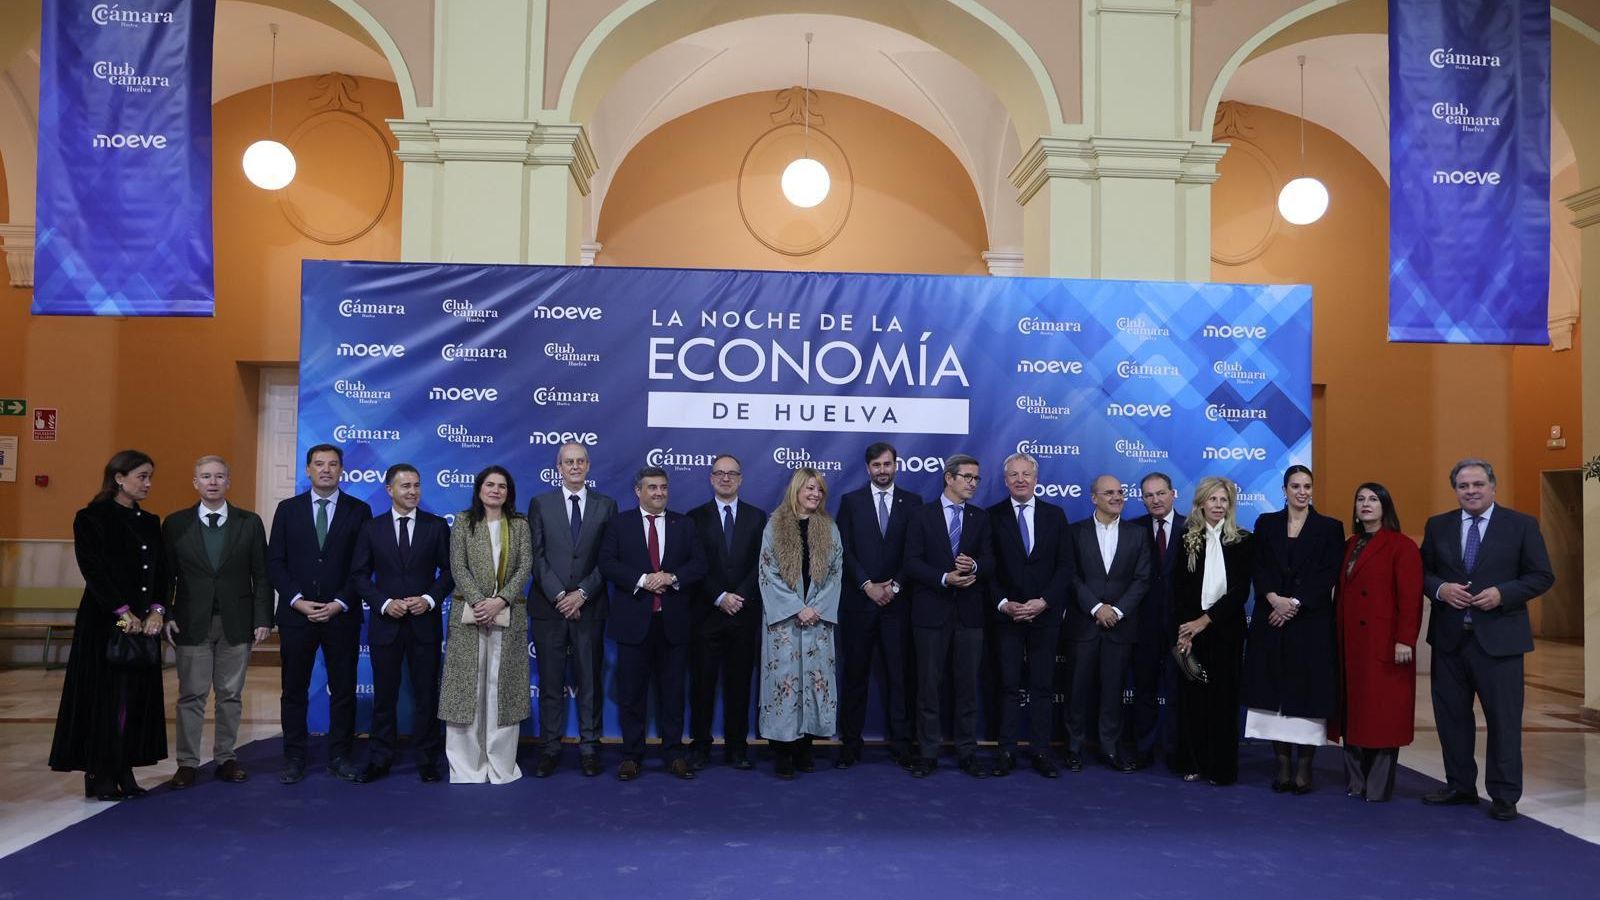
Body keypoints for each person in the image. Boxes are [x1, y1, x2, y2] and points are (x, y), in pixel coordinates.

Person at [1420, 458, 1554, 822]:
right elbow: (1423, 572)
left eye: (1478, 484)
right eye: (1463, 486)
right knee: (1451, 719)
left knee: (1503, 721)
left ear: (1493, 486)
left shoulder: (1521, 525)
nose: (1471, 491)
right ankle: (1459, 785)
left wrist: (1503, 594)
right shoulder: (1438, 525)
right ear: (1455, 490)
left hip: (1500, 641)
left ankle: (1504, 795)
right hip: (1449, 641)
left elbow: (1541, 575)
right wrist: (1441, 589)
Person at [49, 450, 168, 801]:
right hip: (104, 622)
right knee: (104, 698)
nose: (148, 484)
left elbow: (161, 571)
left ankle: (124, 767)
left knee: (133, 698)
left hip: (143, 624)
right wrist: (122, 611)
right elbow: (93, 569)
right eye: (142, 476)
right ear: (119, 478)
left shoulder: (150, 521)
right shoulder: (91, 518)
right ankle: (100, 771)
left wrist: (157, 610)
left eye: (150, 477)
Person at [161, 455, 272, 789]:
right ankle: (187, 763)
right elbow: (165, 576)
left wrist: (263, 618)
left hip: (237, 622)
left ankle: (226, 758)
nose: (213, 482)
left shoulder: (249, 522)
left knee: (230, 694)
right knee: (191, 695)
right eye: (206, 476)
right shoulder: (175, 524)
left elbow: (262, 575)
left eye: (219, 476)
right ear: (195, 482)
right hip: (190, 622)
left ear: (228, 482)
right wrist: (165, 614)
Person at [267, 444, 372, 784]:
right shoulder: (287, 509)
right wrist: (296, 600)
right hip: (297, 615)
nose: (326, 469)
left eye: (333, 464)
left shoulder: (359, 510)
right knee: (293, 690)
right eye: (319, 464)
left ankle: (340, 756)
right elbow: (275, 562)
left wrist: (340, 602)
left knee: (343, 690)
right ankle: (294, 758)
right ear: (308, 470)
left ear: (342, 470)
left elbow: (363, 565)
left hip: (341, 615)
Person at [599, 466, 708, 781]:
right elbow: (607, 563)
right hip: (633, 623)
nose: (659, 493)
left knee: (673, 694)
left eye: (663, 487)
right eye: (652, 487)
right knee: (632, 695)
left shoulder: (684, 524)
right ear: (638, 491)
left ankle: (674, 754)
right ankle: (631, 756)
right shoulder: (619, 524)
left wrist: (671, 577)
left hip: (673, 624)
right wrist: (643, 579)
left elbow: (699, 564)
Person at [1242, 465, 1345, 793]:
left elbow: (1328, 573)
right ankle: (1283, 764)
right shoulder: (1266, 523)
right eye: (1296, 486)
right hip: (1270, 620)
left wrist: (1295, 603)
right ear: (1284, 490)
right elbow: (1258, 565)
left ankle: (1304, 768)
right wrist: (1274, 599)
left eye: (1307, 486)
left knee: (1307, 695)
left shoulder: (1330, 527)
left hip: (1309, 624)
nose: (1302, 492)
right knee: (1273, 693)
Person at [349, 463, 454, 784]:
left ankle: (427, 760)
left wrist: (429, 599)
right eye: (406, 486)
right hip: (386, 625)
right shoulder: (372, 528)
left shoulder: (436, 526)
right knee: (384, 697)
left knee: (427, 695)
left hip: (425, 624)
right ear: (389, 490)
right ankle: (380, 758)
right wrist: (384, 603)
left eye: (417, 485)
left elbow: (450, 572)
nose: (412, 491)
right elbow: (359, 575)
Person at [526, 442, 617, 778]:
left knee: (589, 682)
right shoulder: (541, 503)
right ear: (559, 468)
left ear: (588, 466)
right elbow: (536, 556)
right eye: (568, 462)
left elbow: (608, 558)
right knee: (550, 683)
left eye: (580, 461)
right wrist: (560, 596)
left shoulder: (606, 505)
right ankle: (549, 748)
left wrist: (581, 594)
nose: (575, 466)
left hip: (589, 608)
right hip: (549, 609)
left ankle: (590, 747)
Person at [439, 466, 532, 784]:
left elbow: (525, 566)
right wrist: (480, 602)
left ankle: (500, 763)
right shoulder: (464, 522)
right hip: (470, 614)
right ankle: (467, 766)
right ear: (479, 489)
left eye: (502, 486)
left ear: (509, 492)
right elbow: (457, 565)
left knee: (501, 689)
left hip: (508, 614)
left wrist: (501, 600)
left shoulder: (519, 525)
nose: (495, 490)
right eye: (490, 485)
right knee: (466, 690)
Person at [903, 453, 994, 778]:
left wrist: (975, 566)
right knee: (928, 687)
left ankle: (967, 752)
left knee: (967, 688)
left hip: (969, 615)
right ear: (949, 478)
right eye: (967, 477)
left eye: (976, 478)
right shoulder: (921, 515)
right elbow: (911, 562)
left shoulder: (980, 517)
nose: (973, 483)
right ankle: (928, 753)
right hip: (930, 613)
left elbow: (991, 560)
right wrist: (944, 578)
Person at [834, 441, 922, 768]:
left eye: (887, 464)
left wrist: (894, 586)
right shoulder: (851, 502)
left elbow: (915, 551)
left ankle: (902, 745)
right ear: (867, 468)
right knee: (854, 677)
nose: (882, 470)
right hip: (859, 604)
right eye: (876, 465)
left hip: (898, 606)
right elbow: (844, 550)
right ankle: (850, 745)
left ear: (896, 465)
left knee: (900, 678)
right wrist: (867, 586)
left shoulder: (913, 503)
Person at [1333, 482, 1422, 802]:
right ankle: (1355, 782)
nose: (1366, 504)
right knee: (1354, 713)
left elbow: (1410, 598)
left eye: (1373, 499)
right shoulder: (1350, 544)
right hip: (1351, 644)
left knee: (1382, 715)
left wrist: (1405, 640)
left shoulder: (1402, 546)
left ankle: (1377, 787)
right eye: (1360, 499)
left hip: (1383, 643)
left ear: (1386, 506)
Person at [986, 452, 1072, 778]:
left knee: (1042, 686)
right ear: (1005, 480)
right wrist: (1003, 603)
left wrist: (1045, 601)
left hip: (1044, 615)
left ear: (1036, 479)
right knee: (1008, 686)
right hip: (1007, 616)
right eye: (1014, 474)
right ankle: (1006, 751)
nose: (1020, 479)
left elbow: (1065, 566)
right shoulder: (991, 516)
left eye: (1026, 474)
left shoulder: (1055, 515)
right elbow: (988, 568)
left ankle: (1041, 752)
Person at [757, 467, 843, 779]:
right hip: (784, 622)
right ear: (796, 490)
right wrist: (796, 608)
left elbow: (835, 572)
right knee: (783, 683)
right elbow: (767, 572)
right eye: (809, 488)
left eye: (819, 490)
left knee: (814, 682)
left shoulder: (829, 528)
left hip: (817, 620)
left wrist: (815, 608)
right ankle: (782, 751)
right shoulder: (775, 525)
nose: (815, 494)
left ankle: (806, 746)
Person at [1170, 476, 1253, 786]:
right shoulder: (1186, 538)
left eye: (1223, 500)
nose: (1218, 505)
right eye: (1213, 499)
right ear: (1201, 503)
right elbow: (1178, 588)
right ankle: (1193, 762)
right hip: (1191, 634)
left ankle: (1221, 769)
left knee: (1224, 701)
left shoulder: (1243, 539)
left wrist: (1205, 620)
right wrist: (1185, 631)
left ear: (1230, 505)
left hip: (1226, 632)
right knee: (1193, 700)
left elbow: (1240, 591)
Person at [1065, 474, 1151, 773]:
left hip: (1120, 626)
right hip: (1083, 625)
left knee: (1113, 692)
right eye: (1109, 493)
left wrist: (1117, 610)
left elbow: (1142, 578)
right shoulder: (1074, 532)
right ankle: (1073, 748)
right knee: (1076, 690)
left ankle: (1110, 748)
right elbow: (1070, 575)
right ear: (1094, 498)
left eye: (1120, 492)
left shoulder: (1137, 534)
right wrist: (1095, 607)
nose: (1117, 497)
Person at [687, 454, 767, 771]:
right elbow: (694, 564)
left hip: (744, 615)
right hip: (707, 615)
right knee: (702, 685)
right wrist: (719, 596)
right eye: (719, 473)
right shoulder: (694, 517)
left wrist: (739, 596)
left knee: (739, 685)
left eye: (731, 473)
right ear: (711, 478)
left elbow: (761, 563)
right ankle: (701, 746)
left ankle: (737, 747)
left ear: (741, 479)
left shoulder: (757, 517)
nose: (725, 478)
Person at [1128, 472, 1185, 769]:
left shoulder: (1193, 527)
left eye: (1161, 493)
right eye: (1149, 495)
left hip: (1181, 626)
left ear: (1173, 494)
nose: (1156, 500)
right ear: (1142, 499)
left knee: (1178, 691)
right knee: (1144, 691)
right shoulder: (1132, 529)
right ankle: (1144, 749)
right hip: (1143, 624)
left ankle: (1176, 751)